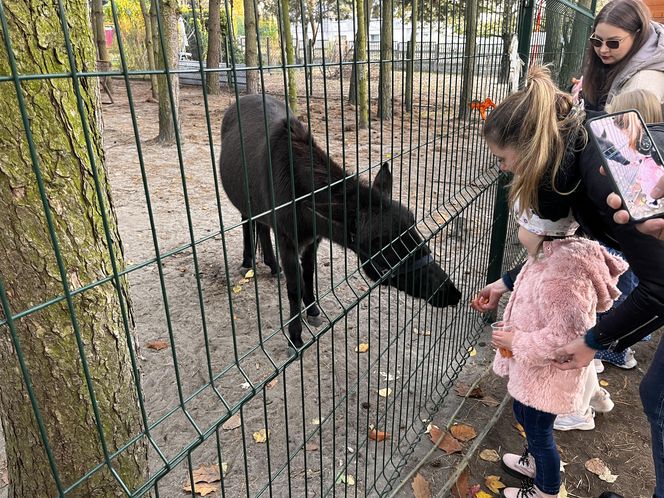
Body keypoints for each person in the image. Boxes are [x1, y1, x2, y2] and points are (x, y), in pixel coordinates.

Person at [473, 63, 664, 498]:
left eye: (504, 159)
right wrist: (505, 284)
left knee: (659, 401)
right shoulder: (581, 153)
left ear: (528, 145)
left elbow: (659, 287)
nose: (504, 170)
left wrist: (594, 341)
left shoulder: (598, 176)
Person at [491, 207, 627, 498]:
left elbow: (566, 339)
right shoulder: (546, 256)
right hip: (532, 373)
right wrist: (514, 328)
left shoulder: (563, 277)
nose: (518, 231)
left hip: (548, 377)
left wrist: (517, 341)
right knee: (524, 415)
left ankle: (546, 489)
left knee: (540, 433)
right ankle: (535, 464)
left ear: (539, 230)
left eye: (520, 224)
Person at [593, 90, 663, 370]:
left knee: (617, 289)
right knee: (632, 283)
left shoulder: (630, 161)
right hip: (646, 241)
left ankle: (609, 350)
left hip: (628, 241)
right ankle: (628, 341)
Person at [579, 0, 664, 112]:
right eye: (597, 41)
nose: (603, 50)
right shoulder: (617, 57)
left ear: (637, 35)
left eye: (613, 42)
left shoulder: (641, 86)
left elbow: (617, 127)